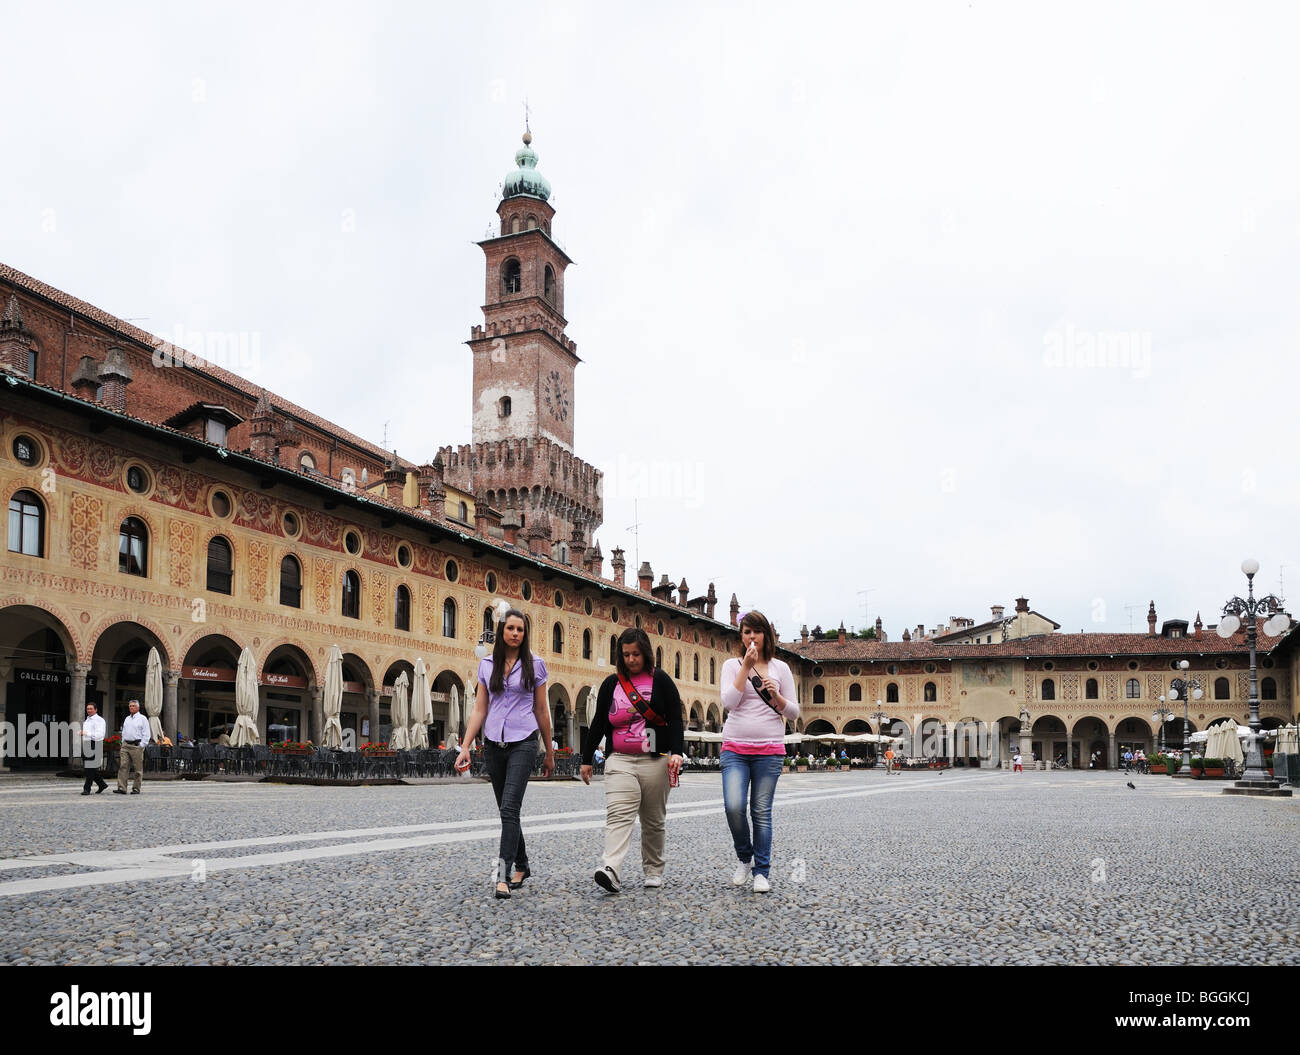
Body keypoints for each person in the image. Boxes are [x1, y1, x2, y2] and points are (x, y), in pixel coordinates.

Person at [456, 609, 554, 899]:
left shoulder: (536, 665)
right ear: (501, 632)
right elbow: (480, 709)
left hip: (523, 741)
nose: (515, 633)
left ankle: (503, 874)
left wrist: (549, 750)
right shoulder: (487, 665)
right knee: (506, 810)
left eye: (520, 629)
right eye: (510, 628)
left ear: (525, 634)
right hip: (493, 744)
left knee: (510, 809)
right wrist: (465, 746)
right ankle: (523, 864)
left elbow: (541, 709)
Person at [581, 628, 684, 893]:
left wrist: (676, 752)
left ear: (646, 653)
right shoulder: (611, 684)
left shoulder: (660, 680)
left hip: (655, 759)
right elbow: (599, 722)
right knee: (618, 814)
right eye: (626, 654)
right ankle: (611, 868)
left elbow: (674, 718)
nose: (631, 659)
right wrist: (586, 758)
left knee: (653, 820)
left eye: (636, 654)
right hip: (620, 759)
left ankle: (653, 870)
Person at [719, 610, 799, 894]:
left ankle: (761, 871)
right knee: (734, 807)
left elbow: (794, 711)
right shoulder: (731, 665)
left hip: (769, 750)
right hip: (734, 749)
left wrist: (776, 696)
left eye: (756, 632)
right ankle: (744, 856)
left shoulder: (781, 668)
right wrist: (745, 669)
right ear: (741, 637)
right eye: (746, 632)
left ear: (766, 635)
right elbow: (729, 702)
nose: (751, 637)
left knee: (761, 812)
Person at [115, 699, 150, 795]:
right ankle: (122, 788)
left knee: (137, 769)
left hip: (136, 746)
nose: (131, 707)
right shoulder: (127, 718)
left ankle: (136, 788)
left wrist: (142, 745)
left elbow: (147, 733)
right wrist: (123, 743)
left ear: (138, 707)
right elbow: (124, 731)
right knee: (123, 766)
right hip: (126, 745)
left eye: (133, 706)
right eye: (130, 706)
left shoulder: (143, 718)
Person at [80, 702, 108, 795]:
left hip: (95, 744)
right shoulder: (87, 720)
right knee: (89, 768)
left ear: (96, 710)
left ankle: (87, 788)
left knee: (90, 767)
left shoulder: (99, 720)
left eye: (91, 708)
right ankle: (102, 784)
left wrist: (86, 734)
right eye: (88, 708)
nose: (89, 710)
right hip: (86, 744)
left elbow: (100, 735)